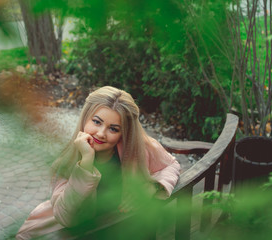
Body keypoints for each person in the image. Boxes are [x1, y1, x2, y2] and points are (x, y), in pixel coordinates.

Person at [16, 86, 181, 239]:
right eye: (96, 122)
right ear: (85, 119)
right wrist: (86, 163)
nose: (101, 134)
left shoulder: (140, 147)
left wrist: (153, 186)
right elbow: (67, 218)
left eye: (113, 129)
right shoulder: (69, 158)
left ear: (124, 133)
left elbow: (171, 165)